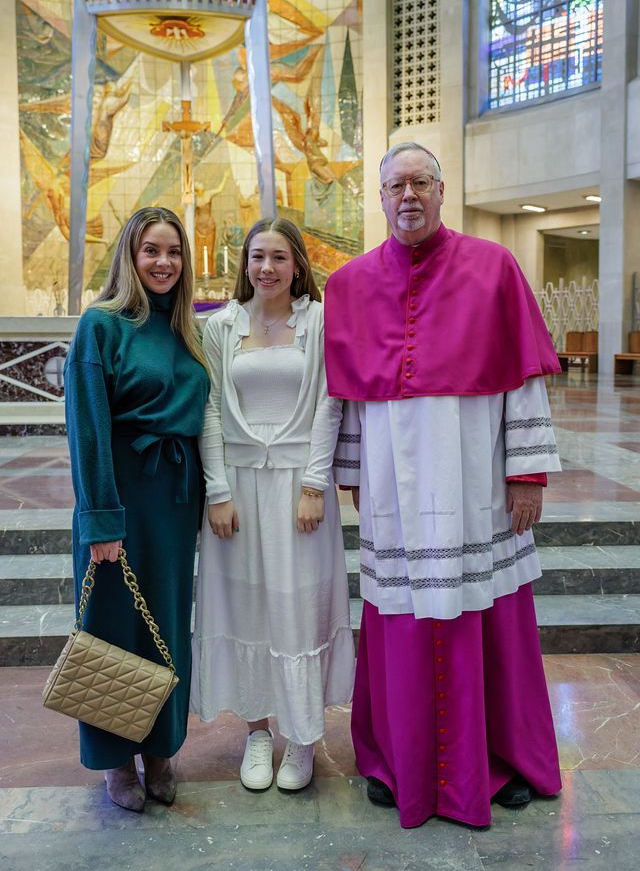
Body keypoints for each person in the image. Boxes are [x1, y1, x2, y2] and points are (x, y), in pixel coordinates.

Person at [324, 142, 562, 830]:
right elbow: (349, 399)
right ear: (379, 198)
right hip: (394, 493)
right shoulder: (349, 285)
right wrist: (352, 475)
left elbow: (523, 379)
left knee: (489, 619)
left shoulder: (495, 267)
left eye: (421, 183)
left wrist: (526, 473)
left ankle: (500, 759)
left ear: (441, 190)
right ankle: (397, 760)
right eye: (396, 185)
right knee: (400, 621)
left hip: (476, 481)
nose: (409, 196)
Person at [191, 217, 354, 792]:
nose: (267, 268)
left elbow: (330, 404)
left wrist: (314, 486)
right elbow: (210, 408)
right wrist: (217, 491)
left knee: (297, 608)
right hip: (237, 490)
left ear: (297, 265)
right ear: (245, 264)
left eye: (279, 257)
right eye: (258, 256)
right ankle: (258, 732)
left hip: (298, 488)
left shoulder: (320, 321)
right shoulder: (220, 326)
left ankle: (303, 736)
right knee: (247, 609)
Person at [64, 206, 209, 812]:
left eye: (174, 251)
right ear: (130, 255)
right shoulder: (101, 325)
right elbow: (87, 429)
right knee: (113, 628)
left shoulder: (185, 327)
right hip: (119, 494)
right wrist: (102, 518)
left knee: (165, 626)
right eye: (152, 250)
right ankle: (116, 759)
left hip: (172, 502)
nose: (163, 262)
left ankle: (160, 749)